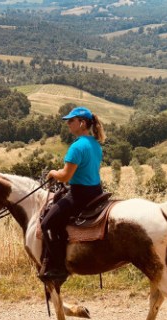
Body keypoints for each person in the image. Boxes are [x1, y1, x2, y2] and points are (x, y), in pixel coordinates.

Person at [39, 106, 106, 282]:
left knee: (47, 223)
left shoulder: (76, 147)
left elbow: (66, 176)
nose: (68, 124)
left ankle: (60, 266)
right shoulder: (95, 144)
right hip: (96, 191)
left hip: (79, 195)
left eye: (71, 121)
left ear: (82, 123)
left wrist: (53, 173)